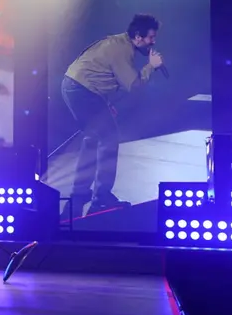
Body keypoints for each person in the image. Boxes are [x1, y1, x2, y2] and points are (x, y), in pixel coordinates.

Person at [61, 14, 164, 216]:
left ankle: (80, 192)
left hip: (79, 88)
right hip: (82, 91)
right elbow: (134, 85)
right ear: (138, 37)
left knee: (92, 139)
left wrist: (104, 105)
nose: (153, 41)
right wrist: (152, 66)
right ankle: (102, 198)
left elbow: (101, 73)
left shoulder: (119, 43)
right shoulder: (120, 49)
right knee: (109, 139)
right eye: (151, 38)